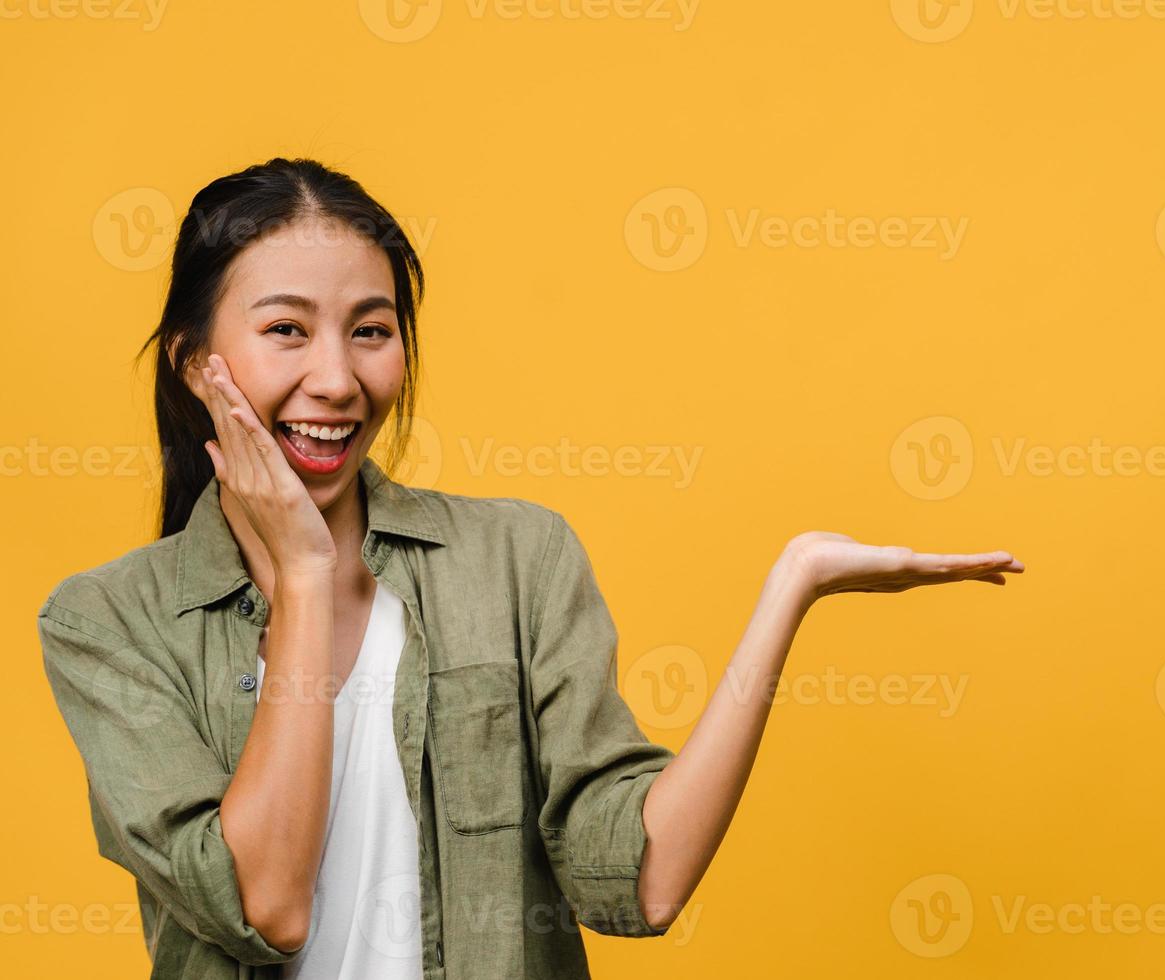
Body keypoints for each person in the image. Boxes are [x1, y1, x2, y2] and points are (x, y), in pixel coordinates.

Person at [36, 157, 1025, 980]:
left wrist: (792, 587)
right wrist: (301, 581)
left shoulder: (516, 559)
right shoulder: (108, 622)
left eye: (371, 330)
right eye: (286, 328)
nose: (337, 379)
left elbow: (644, 880)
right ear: (193, 361)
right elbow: (270, 903)